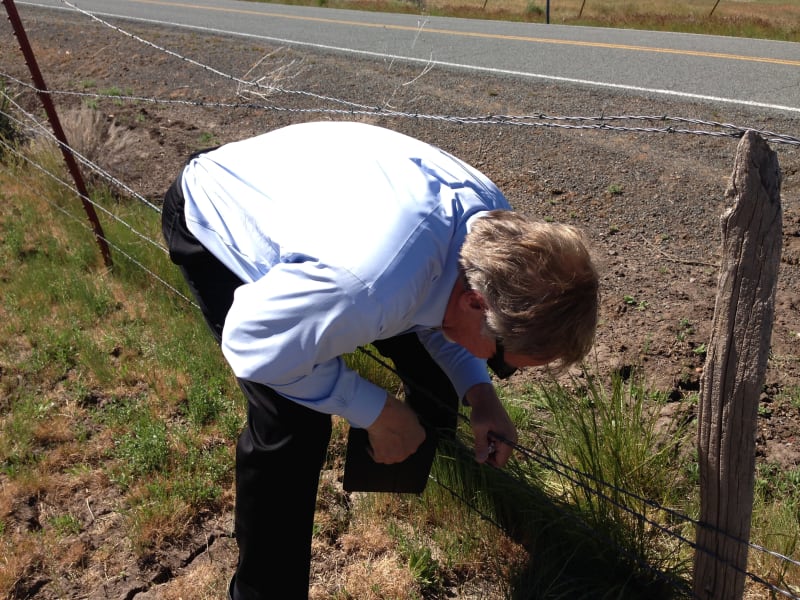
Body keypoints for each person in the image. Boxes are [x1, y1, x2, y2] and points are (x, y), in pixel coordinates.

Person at [161, 120, 599, 600]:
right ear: (478, 304)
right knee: (293, 423)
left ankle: (401, 466)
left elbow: (439, 304)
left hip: (328, 217)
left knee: (432, 371)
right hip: (217, 209)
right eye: (502, 363)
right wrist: (377, 412)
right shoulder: (370, 284)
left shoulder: (496, 233)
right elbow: (252, 343)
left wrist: (481, 395)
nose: (501, 371)